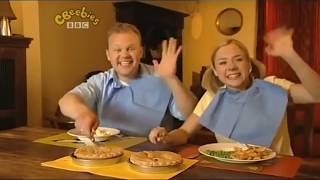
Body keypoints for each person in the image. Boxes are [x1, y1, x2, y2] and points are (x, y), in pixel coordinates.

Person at [149, 27, 320, 155]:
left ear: (249, 65)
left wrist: (290, 55)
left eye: (238, 59)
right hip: (231, 169)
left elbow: (316, 94)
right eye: (223, 62)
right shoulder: (212, 96)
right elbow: (185, 132)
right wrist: (166, 137)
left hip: (277, 169)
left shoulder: (274, 85)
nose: (231, 67)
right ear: (215, 71)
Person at [59, 22, 197, 138]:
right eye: (117, 50)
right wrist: (83, 114)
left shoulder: (163, 76)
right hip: (108, 152)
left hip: (153, 155)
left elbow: (189, 113)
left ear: (141, 52)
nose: (124, 55)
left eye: (130, 48)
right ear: (108, 55)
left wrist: (172, 78)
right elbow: (66, 100)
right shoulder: (101, 81)